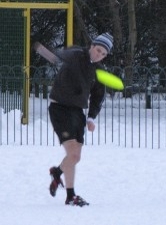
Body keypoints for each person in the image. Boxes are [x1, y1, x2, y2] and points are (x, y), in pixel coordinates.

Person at [48, 33, 113, 206]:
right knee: (73, 154)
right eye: (98, 50)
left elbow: (98, 95)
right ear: (92, 46)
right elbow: (61, 55)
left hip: (77, 112)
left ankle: (58, 174)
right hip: (60, 108)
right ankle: (70, 195)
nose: (99, 55)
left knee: (75, 157)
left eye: (103, 54)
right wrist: (52, 55)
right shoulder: (76, 54)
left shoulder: (100, 71)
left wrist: (91, 117)